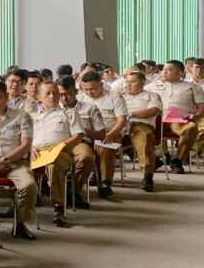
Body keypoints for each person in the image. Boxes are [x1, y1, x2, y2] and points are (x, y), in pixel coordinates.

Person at [0, 80, 38, 240]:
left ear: (6, 96)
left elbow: (26, 145)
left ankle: (20, 224)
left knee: (29, 186)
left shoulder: (22, 116)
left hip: (15, 163)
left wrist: (4, 160)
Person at [31, 82, 82, 227]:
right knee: (19, 167)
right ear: (39, 96)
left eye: (55, 93)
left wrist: (61, 147)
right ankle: (20, 206)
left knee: (55, 165)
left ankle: (58, 208)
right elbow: (23, 137)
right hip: (36, 152)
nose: (52, 96)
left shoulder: (68, 113)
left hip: (60, 152)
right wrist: (29, 147)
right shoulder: (32, 116)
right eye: (47, 93)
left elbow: (78, 136)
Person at [77, 71, 128, 199]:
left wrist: (111, 134)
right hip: (87, 134)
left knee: (105, 148)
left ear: (101, 84)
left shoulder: (114, 96)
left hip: (110, 132)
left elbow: (122, 120)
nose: (89, 92)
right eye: (86, 89)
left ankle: (105, 183)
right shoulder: (80, 98)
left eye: (93, 89)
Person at [147, 60, 203, 173]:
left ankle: (177, 160)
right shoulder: (152, 86)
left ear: (180, 73)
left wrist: (195, 117)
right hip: (157, 120)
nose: (164, 72)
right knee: (144, 128)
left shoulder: (192, 87)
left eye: (169, 70)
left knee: (191, 128)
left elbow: (201, 107)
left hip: (180, 120)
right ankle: (159, 157)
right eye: (164, 69)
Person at [57, 76, 99, 208]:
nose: (64, 98)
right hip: (57, 142)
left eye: (67, 94)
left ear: (75, 92)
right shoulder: (52, 108)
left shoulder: (89, 108)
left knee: (86, 158)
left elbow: (101, 134)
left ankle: (74, 191)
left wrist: (81, 129)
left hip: (79, 142)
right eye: (61, 94)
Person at [120, 67, 162, 192]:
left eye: (132, 82)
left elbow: (153, 110)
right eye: (127, 82)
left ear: (143, 83)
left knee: (145, 139)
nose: (129, 84)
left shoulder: (152, 95)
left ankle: (147, 177)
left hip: (140, 124)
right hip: (120, 126)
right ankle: (101, 176)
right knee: (101, 141)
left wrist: (131, 114)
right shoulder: (120, 97)